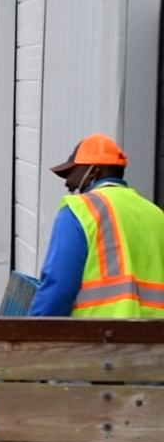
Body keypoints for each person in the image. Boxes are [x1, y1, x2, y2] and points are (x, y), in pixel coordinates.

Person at [30, 134, 164, 317]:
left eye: (72, 174)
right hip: (153, 341)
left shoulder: (80, 210)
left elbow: (59, 286)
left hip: (99, 337)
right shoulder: (156, 215)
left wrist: (32, 333)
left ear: (94, 172)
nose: (68, 183)